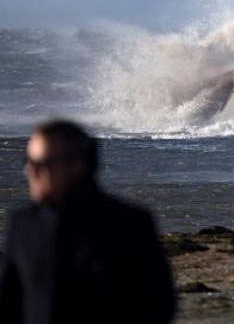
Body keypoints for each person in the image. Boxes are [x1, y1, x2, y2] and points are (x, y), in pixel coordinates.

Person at [0, 120, 176, 324]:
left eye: (41, 164)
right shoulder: (23, 224)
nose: (30, 172)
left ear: (77, 166)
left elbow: (159, 304)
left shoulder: (127, 223)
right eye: (28, 162)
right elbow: (8, 303)